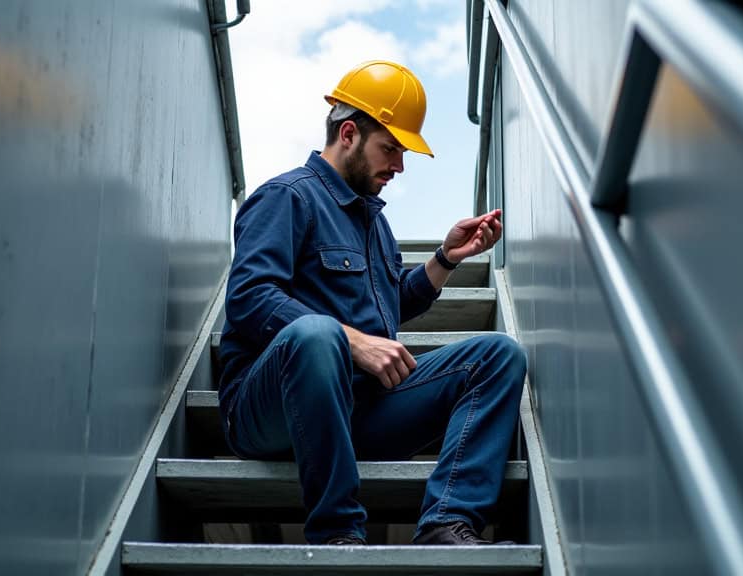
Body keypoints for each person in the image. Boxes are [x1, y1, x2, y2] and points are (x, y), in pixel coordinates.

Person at [217, 60, 526, 546]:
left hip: (360, 410)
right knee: (317, 334)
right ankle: (337, 531)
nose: (399, 166)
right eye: (391, 149)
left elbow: (387, 307)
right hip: (269, 411)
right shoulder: (286, 197)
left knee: (498, 355)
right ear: (348, 134)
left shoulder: (375, 224)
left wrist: (446, 258)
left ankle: (447, 521)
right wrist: (351, 341)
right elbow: (250, 298)